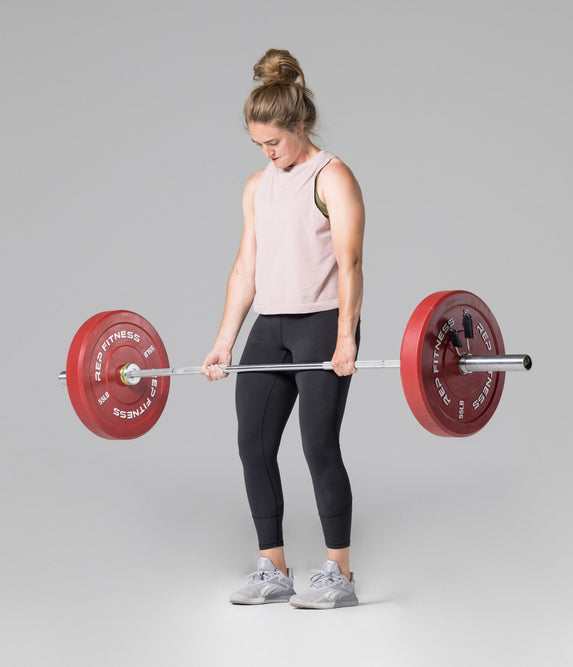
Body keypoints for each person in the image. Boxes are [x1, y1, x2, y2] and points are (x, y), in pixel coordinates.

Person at [201, 49, 366, 610]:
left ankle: (338, 573)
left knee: (318, 445)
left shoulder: (333, 176)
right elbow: (245, 268)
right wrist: (224, 341)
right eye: (258, 146)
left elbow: (350, 264)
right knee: (253, 445)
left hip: (322, 324)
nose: (268, 153)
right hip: (270, 327)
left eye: (274, 142)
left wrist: (346, 338)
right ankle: (273, 567)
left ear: (300, 124)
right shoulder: (256, 186)